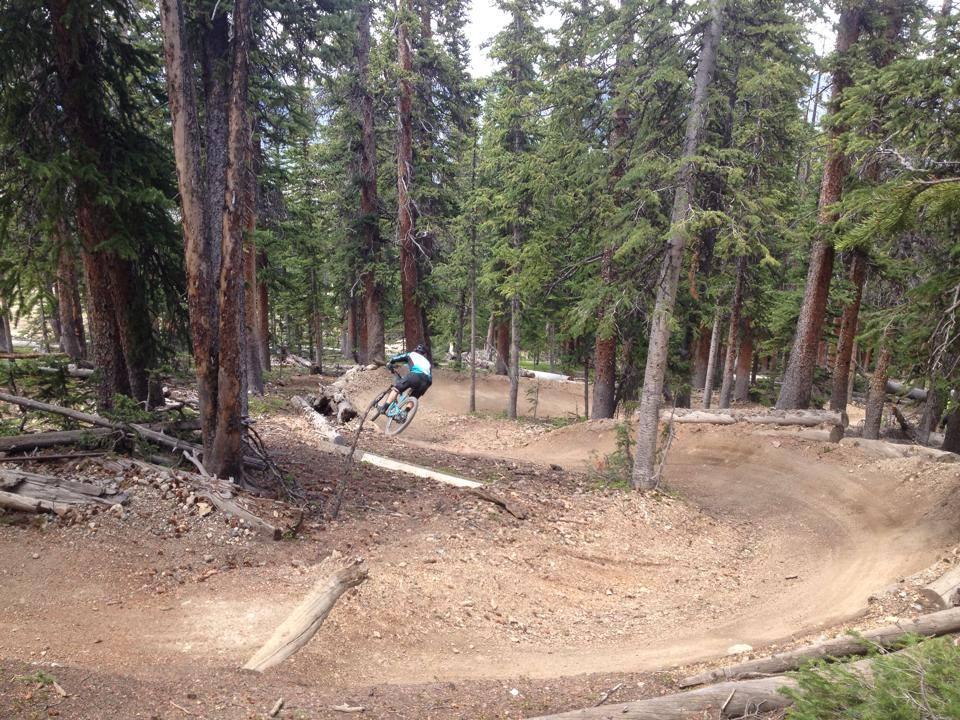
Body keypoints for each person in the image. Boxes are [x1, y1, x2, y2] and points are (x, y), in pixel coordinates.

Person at [375, 343, 432, 416]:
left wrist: (390, 363)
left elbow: (397, 358)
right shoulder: (427, 362)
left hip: (415, 375)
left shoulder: (411, 354)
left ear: (416, 349)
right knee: (413, 397)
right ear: (424, 354)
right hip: (427, 381)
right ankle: (404, 413)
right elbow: (429, 374)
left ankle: (384, 408)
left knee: (396, 389)